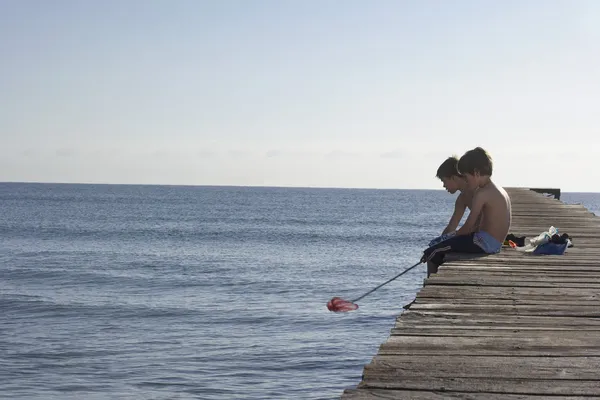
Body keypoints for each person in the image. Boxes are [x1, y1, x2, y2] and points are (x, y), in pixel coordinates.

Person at [422, 147, 512, 274]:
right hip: (493, 243)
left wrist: (454, 236)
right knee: (438, 246)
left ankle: (430, 281)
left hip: (483, 243)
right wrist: (450, 237)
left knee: (433, 251)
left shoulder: (481, 193)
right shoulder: (498, 190)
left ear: (476, 173)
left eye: (466, 176)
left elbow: (470, 226)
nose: (466, 180)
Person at [428, 156, 475, 248]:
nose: (444, 185)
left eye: (444, 181)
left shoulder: (476, 191)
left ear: (453, 178)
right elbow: (451, 227)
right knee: (433, 246)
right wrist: (439, 241)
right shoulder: (461, 199)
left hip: (485, 237)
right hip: (476, 234)